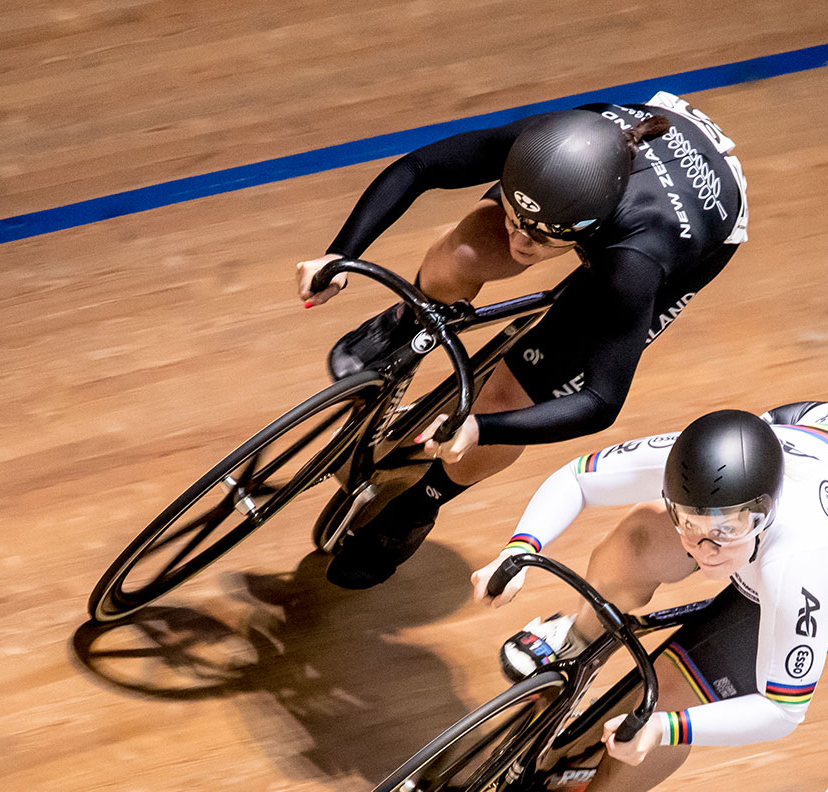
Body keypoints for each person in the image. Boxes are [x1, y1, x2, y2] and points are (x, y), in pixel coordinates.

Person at [470, 402, 828, 792]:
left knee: (670, 700)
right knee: (641, 540)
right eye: (688, 521)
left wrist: (666, 728)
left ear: (764, 513)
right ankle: (578, 635)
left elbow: (783, 709)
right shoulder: (685, 470)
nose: (706, 548)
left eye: (725, 531)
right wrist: (517, 549)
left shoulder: (799, 567)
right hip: (820, 429)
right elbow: (578, 479)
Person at [295, 94, 750, 589]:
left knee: (517, 394)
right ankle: (409, 321)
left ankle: (415, 508)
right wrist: (338, 254)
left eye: (542, 236)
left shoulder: (634, 264)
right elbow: (420, 166)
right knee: (465, 251)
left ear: (586, 231)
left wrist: (482, 429)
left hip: (688, 231)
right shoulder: (545, 146)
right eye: (516, 218)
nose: (521, 241)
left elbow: (600, 402)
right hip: (594, 179)